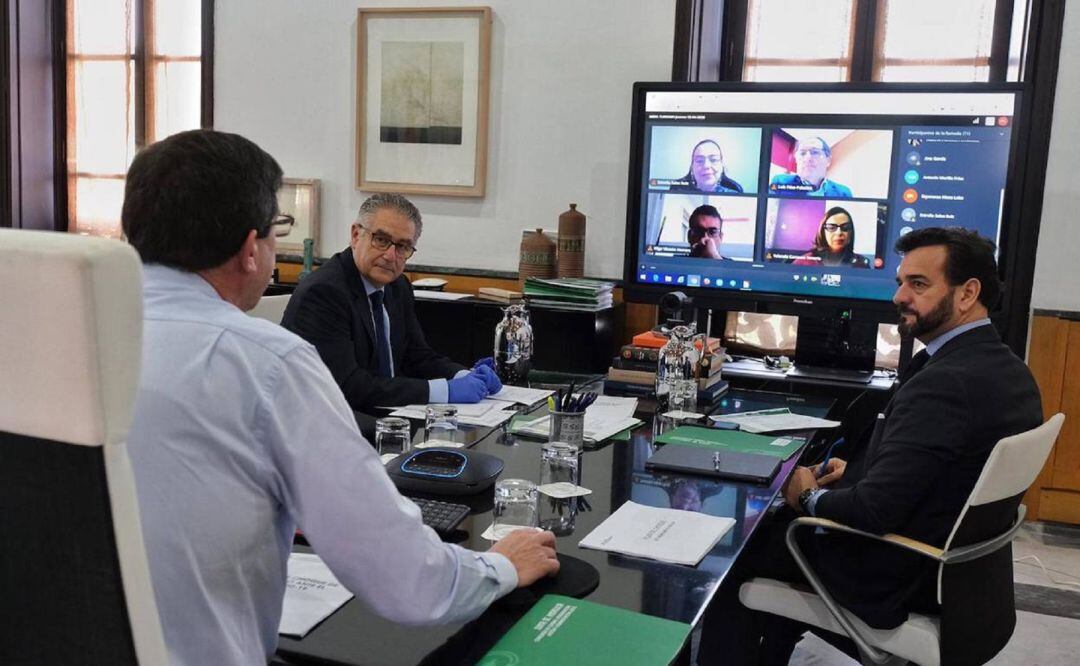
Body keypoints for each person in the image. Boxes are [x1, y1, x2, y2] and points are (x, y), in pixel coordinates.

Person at [121, 129, 560, 665]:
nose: (393, 255)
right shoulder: (269, 364)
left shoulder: (48, 337)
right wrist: (503, 565)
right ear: (251, 250)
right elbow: (404, 579)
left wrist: (463, 377)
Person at [700, 227, 1042, 664]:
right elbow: (942, 471)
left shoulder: (945, 384)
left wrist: (806, 494)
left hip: (890, 577)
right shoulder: (1011, 372)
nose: (900, 296)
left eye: (918, 284)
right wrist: (861, 472)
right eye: (900, 282)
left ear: (967, 293)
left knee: (737, 548)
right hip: (958, 585)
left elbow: (874, 512)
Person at [282, 193, 501, 419]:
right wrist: (444, 390)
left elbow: (417, 357)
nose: (390, 255)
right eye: (381, 240)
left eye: (403, 247)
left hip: (385, 418)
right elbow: (349, 386)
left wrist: (463, 375)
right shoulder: (324, 293)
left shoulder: (398, 286)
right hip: (330, 424)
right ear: (356, 235)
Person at [769, 136, 853, 198]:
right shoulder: (780, 182)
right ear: (796, 159)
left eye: (815, 152)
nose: (808, 158)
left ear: (828, 161)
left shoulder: (843, 193)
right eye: (802, 153)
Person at [791, 206, 871, 268]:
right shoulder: (804, 261)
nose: (839, 233)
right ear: (823, 231)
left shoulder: (861, 263)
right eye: (832, 227)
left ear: (851, 232)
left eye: (845, 227)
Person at [670, 139, 744, 193]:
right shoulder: (676, 190)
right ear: (692, 167)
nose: (706, 165)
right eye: (699, 161)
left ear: (722, 166)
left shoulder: (734, 193)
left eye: (714, 160)